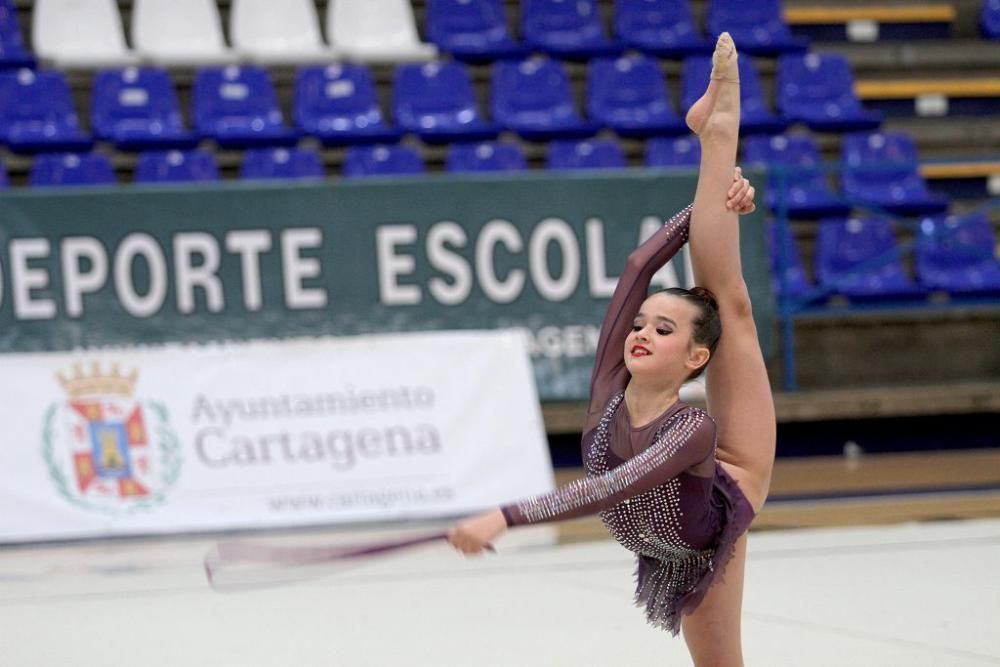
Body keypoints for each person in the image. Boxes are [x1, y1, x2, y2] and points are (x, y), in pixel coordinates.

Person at [448, 33, 774, 666]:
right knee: (716, 293)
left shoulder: (694, 432)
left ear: (694, 360)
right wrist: (706, 203)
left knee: (729, 306)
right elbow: (636, 266)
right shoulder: (609, 391)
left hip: (717, 517)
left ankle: (721, 126)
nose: (642, 333)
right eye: (643, 324)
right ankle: (714, 143)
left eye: (664, 330)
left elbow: (608, 489)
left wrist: (503, 518)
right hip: (670, 540)